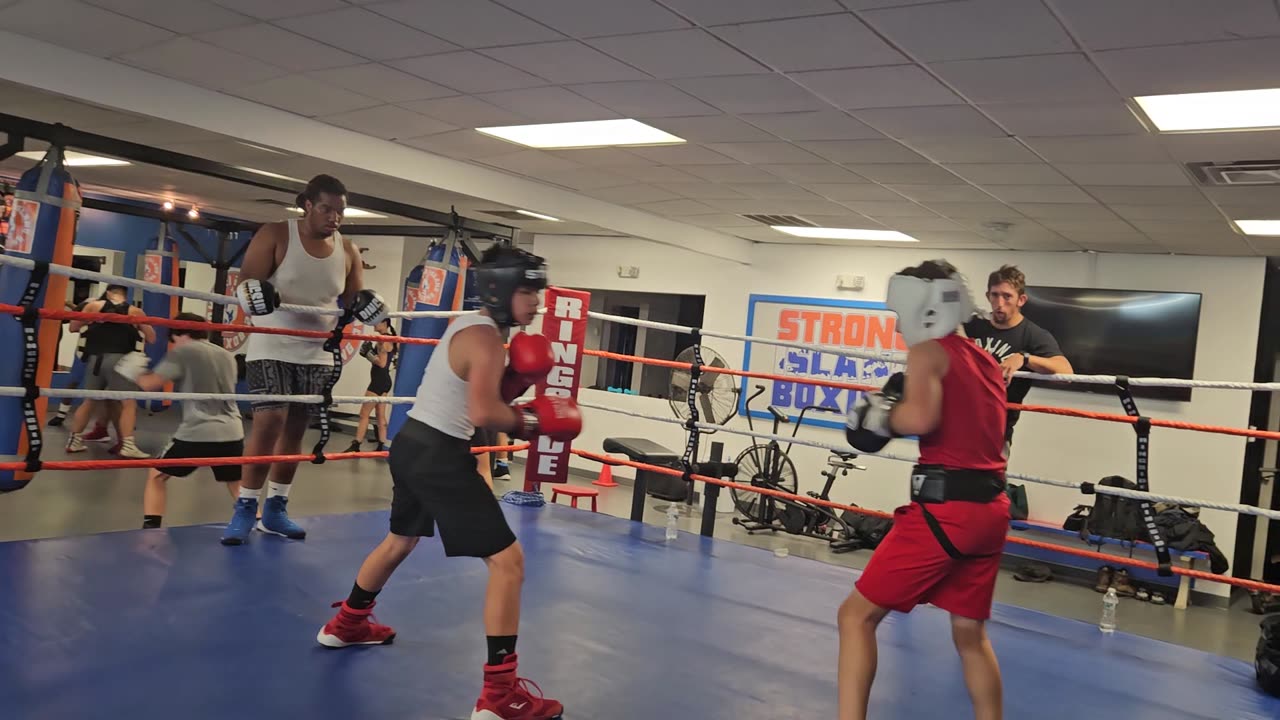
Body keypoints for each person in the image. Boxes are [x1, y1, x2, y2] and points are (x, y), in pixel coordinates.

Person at [316, 245, 581, 720]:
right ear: (499, 289)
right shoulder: (483, 338)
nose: (536, 302)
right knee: (509, 564)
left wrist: (517, 382)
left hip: (413, 442)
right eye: (527, 290)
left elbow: (479, 396)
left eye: (537, 291)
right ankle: (499, 695)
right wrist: (533, 421)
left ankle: (347, 623)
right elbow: (484, 415)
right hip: (439, 453)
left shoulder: (474, 328)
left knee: (400, 540)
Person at [842, 260, 1010, 720]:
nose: (898, 325)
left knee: (855, 616)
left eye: (902, 312)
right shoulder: (987, 361)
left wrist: (877, 417)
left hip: (947, 512)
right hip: (991, 512)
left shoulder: (928, 354)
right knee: (970, 636)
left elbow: (920, 419)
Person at [224, 174, 387, 545]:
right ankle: (246, 508)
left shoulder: (348, 249)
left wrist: (369, 307)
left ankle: (277, 508)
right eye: (327, 208)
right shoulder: (277, 234)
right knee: (269, 422)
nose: (335, 217)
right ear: (308, 205)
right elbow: (246, 282)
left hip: (318, 351)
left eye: (341, 211)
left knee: (296, 429)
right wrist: (252, 292)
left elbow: (353, 299)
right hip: (272, 344)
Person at [112, 313, 245, 529]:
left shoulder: (183, 352)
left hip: (198, 431)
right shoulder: (226, 354)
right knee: (235, 482)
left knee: (156, 475)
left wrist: (133, 372)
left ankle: (151, 530)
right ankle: (256, 519)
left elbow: (151, 384)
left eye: (173, 338)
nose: (172, 343)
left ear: (179, 333)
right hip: (232, 430)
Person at [962, 265, 1073, 456]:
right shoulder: (973, 325)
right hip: (959, 422)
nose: (999, 303)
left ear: (1021, 299)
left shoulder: (1032, 334)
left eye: (1007, 296)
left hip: (995, 432)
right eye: (995, 295)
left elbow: (1066, 373)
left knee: (987, 485)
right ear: (988, 296)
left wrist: (1025, 358)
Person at [64, 284, 154, 459]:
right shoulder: (134, 311)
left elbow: (73, 327)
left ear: (107, 293)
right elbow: (151, 337)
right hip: (120, 360)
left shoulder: (93, 306)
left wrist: (94, 322)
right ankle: (127, 445)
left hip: (95, 359)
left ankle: (74, 441)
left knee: (89, 401)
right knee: (128, 403)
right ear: (125, 296)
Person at [345, 318, 396, 454]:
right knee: (380, 415)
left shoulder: (382, 339)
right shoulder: (392, 338)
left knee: (364, 414)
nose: (374, 324)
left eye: (377, 322)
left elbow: (381, 363)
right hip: (385, 381)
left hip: (378, 382)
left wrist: (368, 354)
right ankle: (382, 445)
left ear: (385, 323)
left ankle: (356, 444)